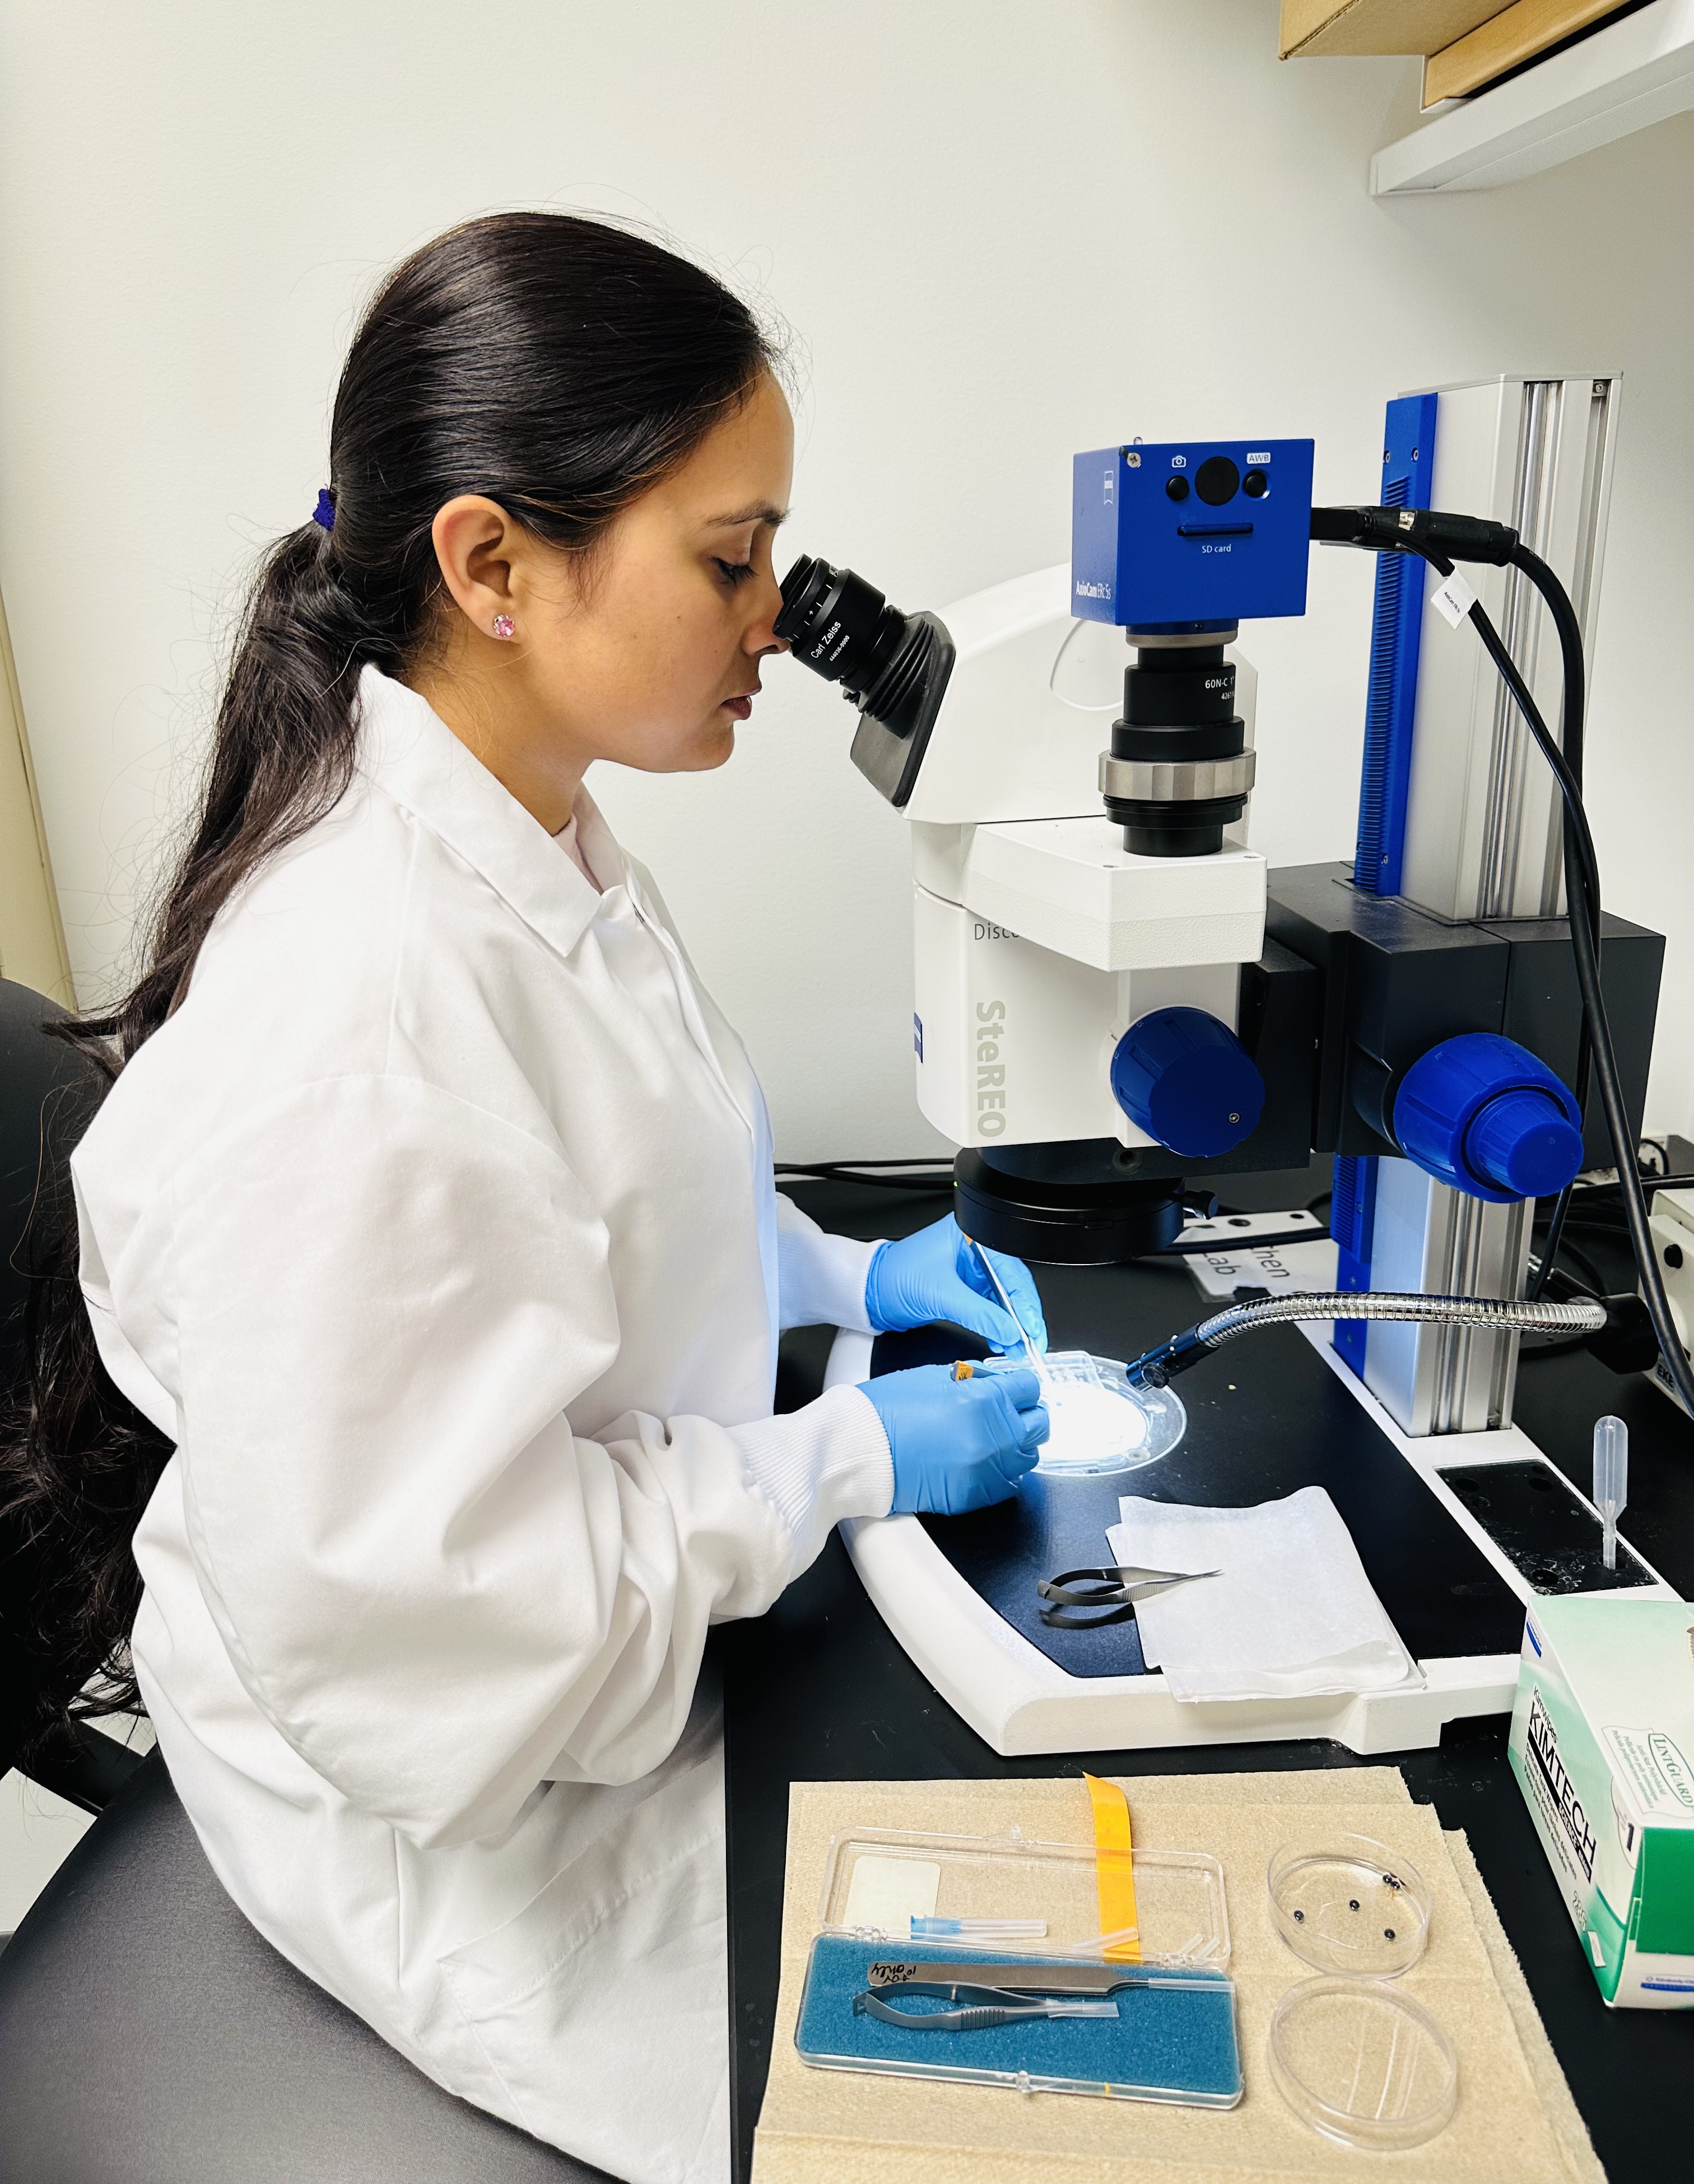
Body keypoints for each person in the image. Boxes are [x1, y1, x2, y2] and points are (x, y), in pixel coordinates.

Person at [7, 212, 1050, 2184]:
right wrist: (848, 1460)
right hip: (470, 1798)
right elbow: (464, 1633)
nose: (776, 613)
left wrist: (835, 1262)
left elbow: (607, 1215)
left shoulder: (536, 831)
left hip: (588, 1641)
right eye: (729, 559)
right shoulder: (362, 1014)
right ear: (493, 564)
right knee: (979, 2090)